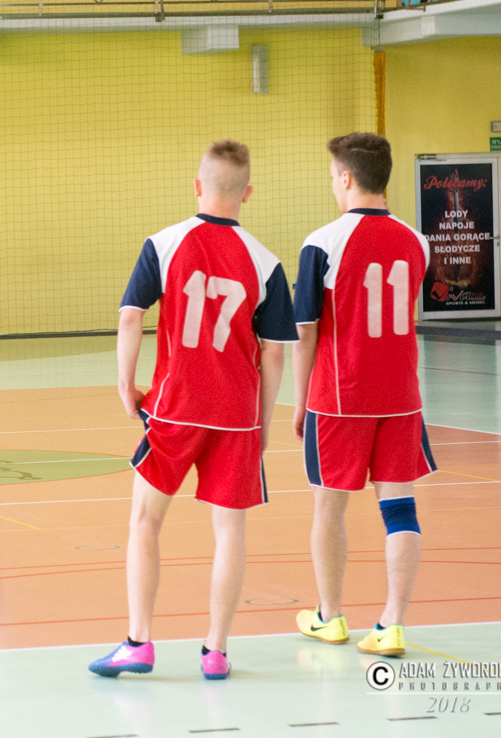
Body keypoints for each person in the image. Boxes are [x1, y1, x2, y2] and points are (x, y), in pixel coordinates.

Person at [89, 140, 296, 681]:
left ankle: (138, 642)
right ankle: (216, 650)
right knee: (230, 531)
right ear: (247, 194)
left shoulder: (163, 243)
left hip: (175, 408)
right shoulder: (267, 262)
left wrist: (124, 384)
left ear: (197, 185)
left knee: (145, 521)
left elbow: (131, 316)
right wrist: (263, 422)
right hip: (237, 415)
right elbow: (275, 353)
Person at [292, 133, 436, 658]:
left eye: (333, 176)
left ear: (347, 177)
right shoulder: (416, 242)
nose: (333, 184)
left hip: (339, 397)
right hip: (401, 397)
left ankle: (329, 616)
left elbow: (305, 329)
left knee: (329, 508)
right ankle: (392, 624)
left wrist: (300, 402)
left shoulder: (322, 242)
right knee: (400, 508)